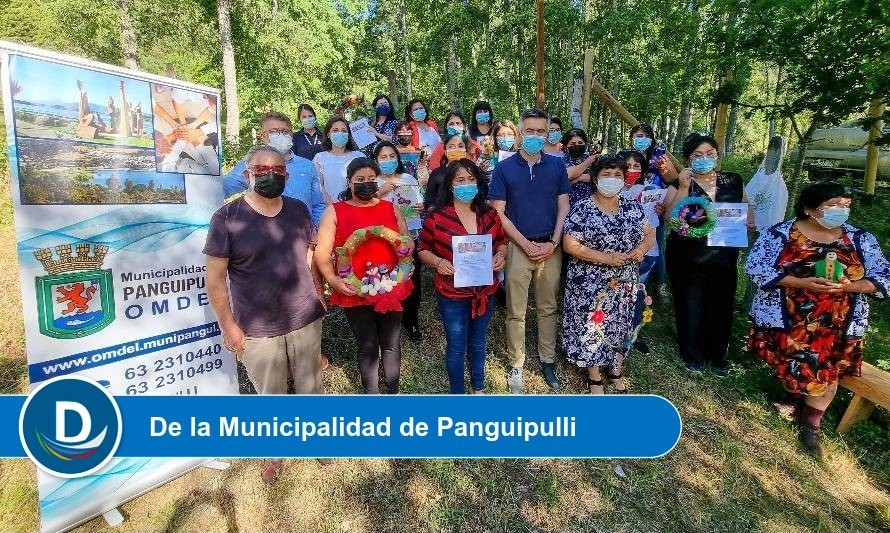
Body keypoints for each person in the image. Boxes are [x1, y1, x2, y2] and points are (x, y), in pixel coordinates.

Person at [204, 145, 327, 483]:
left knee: (310, 386)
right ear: (247, 174)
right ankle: (273, 451)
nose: (270, 174)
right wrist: (229, 326)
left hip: (304, 317)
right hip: (256, 326)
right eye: (261, 168)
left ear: (286, 175)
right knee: (270, 394)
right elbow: (214, 280)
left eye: (278, 169)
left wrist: (317, 295)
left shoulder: (299, 210)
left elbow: (307, 258)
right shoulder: (227, 218)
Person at [746, 182, 889, 458]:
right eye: (834, 205)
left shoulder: (860, 239)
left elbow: (884, 276)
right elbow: (756, 266)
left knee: (828, 372)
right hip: (790, 319)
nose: (841, 211)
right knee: (793, 366)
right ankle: (793, 397)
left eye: (846, 205)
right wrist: (801, 282)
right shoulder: (782, 233)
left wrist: (851, 286)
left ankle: (812, 426)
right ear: (811, 209)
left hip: (837, 323)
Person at [315, 158, 414, 394]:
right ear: (349, 182)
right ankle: (371, 394)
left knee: (390, 343)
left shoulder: (390, 208)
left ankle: (394, 390)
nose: (367, 184)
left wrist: (405, 262)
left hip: (391, 287)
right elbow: (322, 253)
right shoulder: (335, 211)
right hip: (353, 289)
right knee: (367, 345)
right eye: (360, 180)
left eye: (371, 179)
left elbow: (405, 240)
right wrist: (334, 280)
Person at [489, 108, 571, 393]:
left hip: (551, 246)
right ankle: (517, 362)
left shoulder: (558, 167)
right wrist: (523, 244)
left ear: (547, 134)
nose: (535, 136)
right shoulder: (504, 168)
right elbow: (498, 214)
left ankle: (547, 359)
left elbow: (564, 207)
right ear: (520, 133)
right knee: (517, 310)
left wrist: (553, 243)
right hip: (517, 247)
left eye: (541, 131)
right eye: (530, 131)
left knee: (548, 307)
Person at [662, 133, 753, 374]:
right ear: (688, 158)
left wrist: (747, 221)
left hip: (723, 253)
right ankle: (692, 355)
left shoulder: (733, 181)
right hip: (687, 255)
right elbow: (671, 219)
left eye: (710, 154)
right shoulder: (680, 183)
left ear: (718, 156)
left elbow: (746, 208)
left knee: (721, 304)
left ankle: (718, 356)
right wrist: (682, 186)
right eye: (698, 155)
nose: (705, 159)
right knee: (690, 303)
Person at [562, 156, 654, 393]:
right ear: (595, 178)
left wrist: (641, 250)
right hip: (589, 280)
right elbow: (570, 245)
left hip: (624, 281)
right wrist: (606, 258)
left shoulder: (633, 206)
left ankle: (615, 367)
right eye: (606, 175)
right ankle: (593, 375)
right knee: (593, 324)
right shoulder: (583, 208)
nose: (612, 180)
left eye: (618, 176)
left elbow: (650, 234)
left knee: (620, 323)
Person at [419, 159, 507, 394]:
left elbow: (501, 242)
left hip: (485, 292)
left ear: (478, 183)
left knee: (478, 343)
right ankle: (458, 394)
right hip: (452, 293)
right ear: (450, 185)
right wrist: (438, 262)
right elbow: (422, 249)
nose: (466, 184)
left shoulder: (489, 214)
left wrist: (501, 255)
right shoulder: (437, 217)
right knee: (457, 347)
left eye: (471, 179)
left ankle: (478, 388)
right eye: (460, 180)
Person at [222, 112, 327, 226]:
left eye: (285, 131)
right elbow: (223, 188)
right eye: (274, 131)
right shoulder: (251, 164)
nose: (281, 135)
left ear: (291, 135)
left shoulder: (307, 166)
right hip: (264, 233)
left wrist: (318, 231)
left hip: (301, 234)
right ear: (263, 136)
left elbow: (318, 205)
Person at [374, 141, 424, 342]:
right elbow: (364, 207)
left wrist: (421, 206)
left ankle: (411, 321)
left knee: (412, 279)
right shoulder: (373, 181)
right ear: (376, 161)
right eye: (383, 157)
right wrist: (379, 193)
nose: (388, 161)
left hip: (409, 237)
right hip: (383, 241)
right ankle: (388, 321)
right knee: (387, 281)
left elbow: (418, 199)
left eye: (392, 156)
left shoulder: (408, 178)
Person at [618, 149, 663, 354]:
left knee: (636, 293)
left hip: (644, 253)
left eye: (637, 166)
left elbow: (652, 226)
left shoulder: (649, 190)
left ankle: (634, 334)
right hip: (617, 254)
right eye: (627, 166)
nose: (632, 170)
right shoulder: (610, 188)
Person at [313, 116, 365, 203]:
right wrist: (331, 207)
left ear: (348, 134)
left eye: (344, 131)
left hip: (356, 207)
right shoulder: (320, 158)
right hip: (330, 209)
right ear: (328, 134)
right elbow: (318, 186)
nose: (340, 133)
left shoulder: (359, 156)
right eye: (335, 130)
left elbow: (365, 183)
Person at [424, 132, 475, 210]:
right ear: (445, 151)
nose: (456, 149)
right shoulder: (437, 173)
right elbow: (429, 201)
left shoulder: (473, 171)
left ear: (465, 149)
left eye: (460, 146)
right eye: (451, 147)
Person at [560, 128, 599, 208]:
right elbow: (566, 176)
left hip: (592, 205)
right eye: (572, 144)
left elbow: (600, 178)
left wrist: (578, 178)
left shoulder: (594, 160)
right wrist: (587, 163)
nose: (577, 146)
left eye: (580, 143)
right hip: (568, 206)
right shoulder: (560, 162)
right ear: (566, 147)